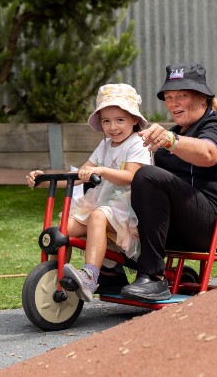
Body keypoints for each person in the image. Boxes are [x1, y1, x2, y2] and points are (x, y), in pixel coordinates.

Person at [119, 62, 217, 302]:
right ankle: (110, 271)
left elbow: (208, 154)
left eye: (182, 96)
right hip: (185, 224)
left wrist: (171, 141)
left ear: (202, 98)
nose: (173, 103)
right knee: (112, 194)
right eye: (169, 97)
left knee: (148, 175)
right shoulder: (176, 132)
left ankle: (153, 279)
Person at [27, 83, 151, 301]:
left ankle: (90, 276)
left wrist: (102, 169)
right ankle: (57, 277)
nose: (113, 127)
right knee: (61, 230)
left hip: (130, 207)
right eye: (106, 121)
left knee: (97, 215)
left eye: (120, 120)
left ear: (134, 119)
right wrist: (43, 180)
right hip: (104, 203)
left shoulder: (138, 143)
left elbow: (133, 176)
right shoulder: (104, 146)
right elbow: (77, 176)